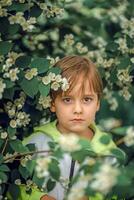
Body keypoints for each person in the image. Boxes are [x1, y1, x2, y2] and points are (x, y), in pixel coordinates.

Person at [8, 55, 125, 200]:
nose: (78, 109)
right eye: (67, 99)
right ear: (52, 103)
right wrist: (39, 197)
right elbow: (12, 186)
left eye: (87, 99)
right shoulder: (35, 144)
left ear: (98, 103)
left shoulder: (107, 153)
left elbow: (117, 194)